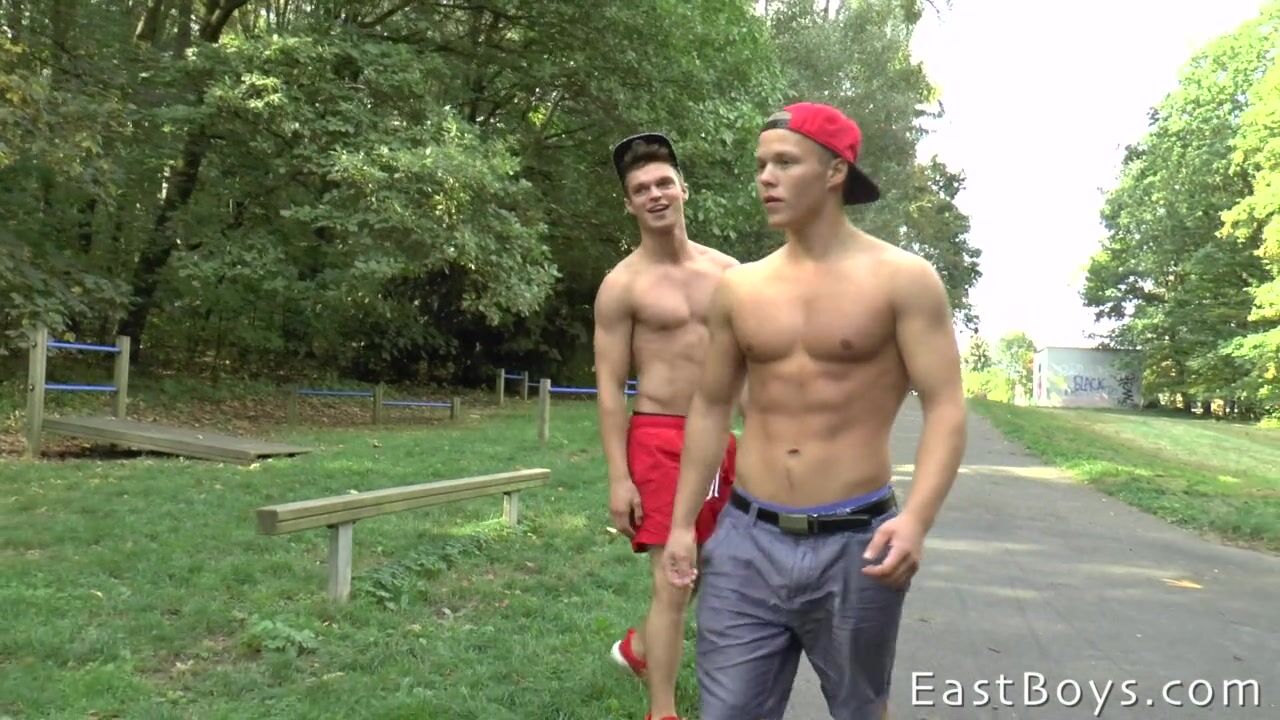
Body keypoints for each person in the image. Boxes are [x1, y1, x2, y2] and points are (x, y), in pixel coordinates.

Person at [663, 102, 968, 720]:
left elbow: (945, 406)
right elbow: (712, 406)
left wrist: (916, 521)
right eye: (760, 165)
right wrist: (681, 524)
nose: (765, 178)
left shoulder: (902, 279)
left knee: (860, 708)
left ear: (834, 172)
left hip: (857, 543)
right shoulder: (740, 287)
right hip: (746, 538)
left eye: (785, 162)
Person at [592, 132, 742, 720]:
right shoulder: (621, 285)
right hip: (658, 437)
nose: (654, 195)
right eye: (640, 189)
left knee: (702, 565)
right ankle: (663, 709)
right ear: (629, 204)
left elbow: (755, 364)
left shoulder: (729, 273)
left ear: (684, 189)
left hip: (720, 438)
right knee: (674, 577)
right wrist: (618, 477)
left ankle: (639, 648)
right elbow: (610, 387)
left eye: (663, 183)